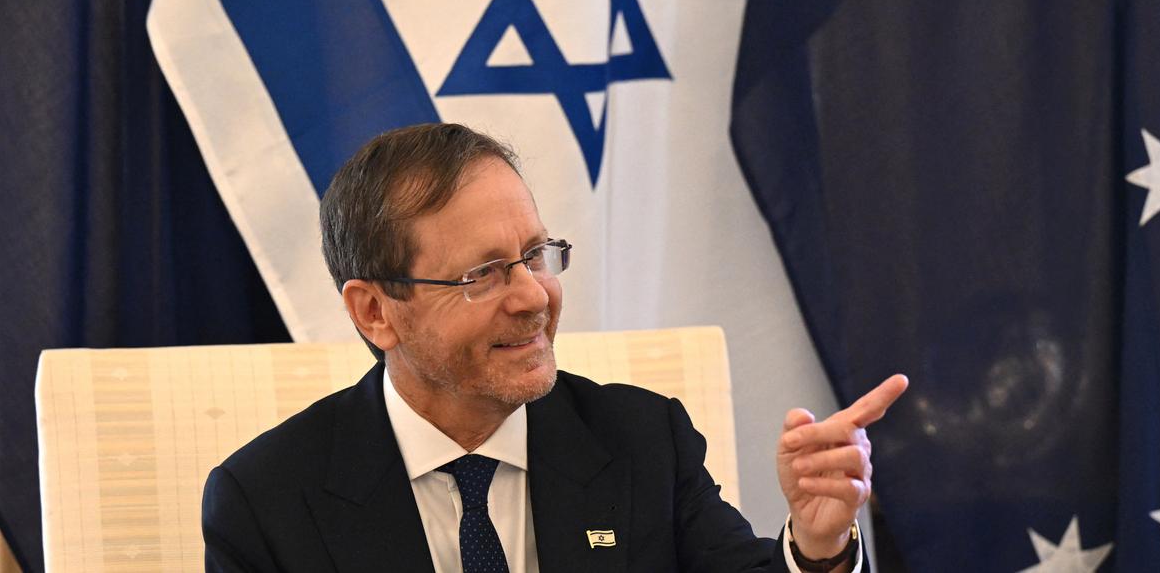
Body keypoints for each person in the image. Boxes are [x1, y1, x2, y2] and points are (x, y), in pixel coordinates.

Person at [202, 123, 908, 572]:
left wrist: (818, 548)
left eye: (536, 255)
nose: (534, 297)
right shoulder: (266, 501)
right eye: (483, 274)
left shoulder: (641, 440)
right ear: (375, 312)